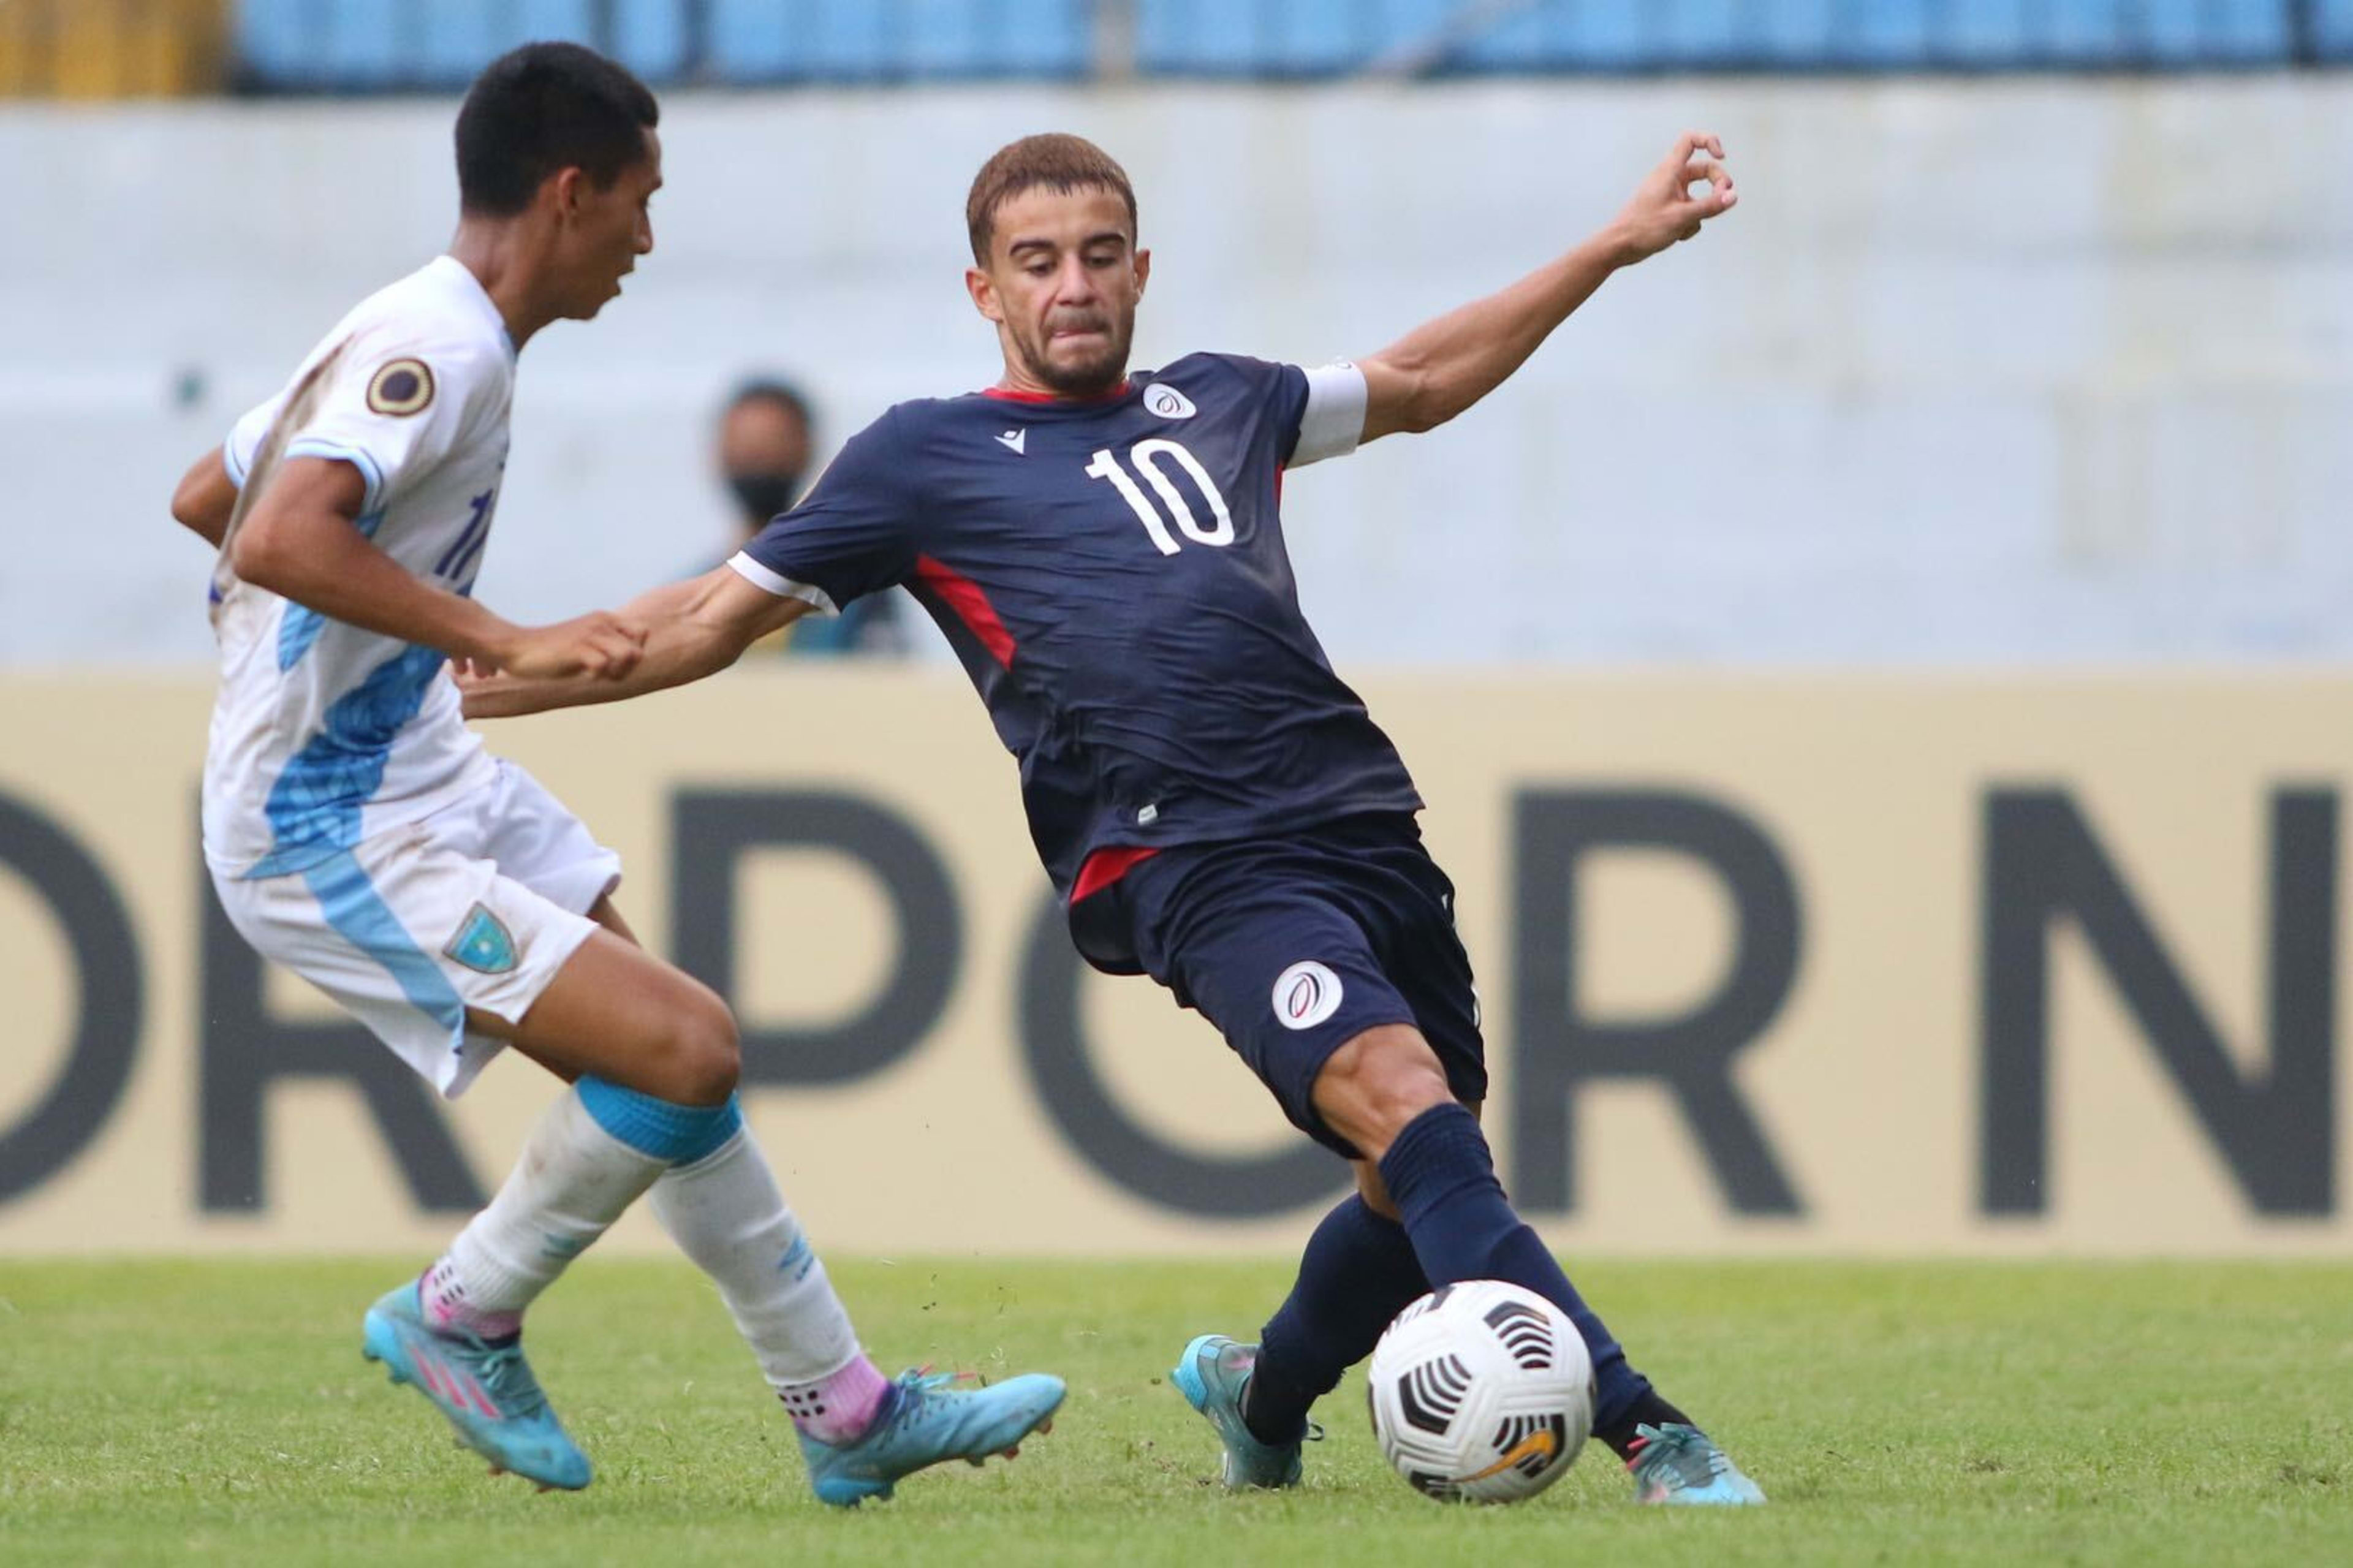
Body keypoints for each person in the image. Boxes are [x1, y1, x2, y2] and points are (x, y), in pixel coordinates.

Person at [462, 129, 1761, 1505]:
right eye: (1036, 262)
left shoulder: (1227, 400)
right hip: (1190, 855)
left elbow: (1425, 378)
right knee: (1404, 1102)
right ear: (986, 291)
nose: (1071, 285)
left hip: (1364, 820)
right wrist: (460, 676)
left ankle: (1262, 1394)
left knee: (1418, 1170)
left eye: (1096, 257)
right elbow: (699, 621)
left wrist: (1612, 245)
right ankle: (1646, 1428)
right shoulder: (924, 458)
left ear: (1140, 271)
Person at [164, 43, 1061, 1505]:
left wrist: (340, 655)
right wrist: (490, 634)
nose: (648, 236)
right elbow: (271, 535)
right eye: (642, 199)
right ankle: (460, 1309)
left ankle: (844, 1409)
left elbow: (209, 493)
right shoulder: (443, 344)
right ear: (569, 193)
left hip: (413, 767)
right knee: (686, 1045)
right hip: (323, 820)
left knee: (668, 1066)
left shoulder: (416, 325)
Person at [713, 377, 907, 656]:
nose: (757, 459)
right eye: (744, 446)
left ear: (805, 447)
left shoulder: (855, 590)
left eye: (772, 444)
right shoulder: (700, 590)